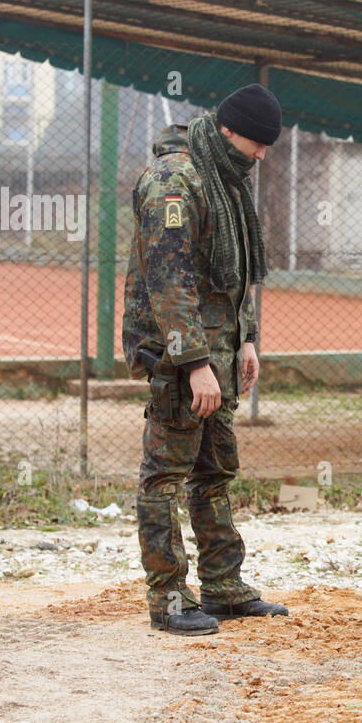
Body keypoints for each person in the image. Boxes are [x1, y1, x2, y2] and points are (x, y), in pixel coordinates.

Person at [123, 84, 289, 636]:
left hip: (216, 352)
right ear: (226, 131)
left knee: (214, 470)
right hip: (182, 358)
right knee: (166, 474)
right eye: (256, 144)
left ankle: (223, 586)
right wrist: (193, 361)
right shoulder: (176, 180)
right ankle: (168, 595)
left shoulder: (225, 180)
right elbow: (170, 282)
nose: (261, 156)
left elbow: (234, 273)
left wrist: (246, 338)